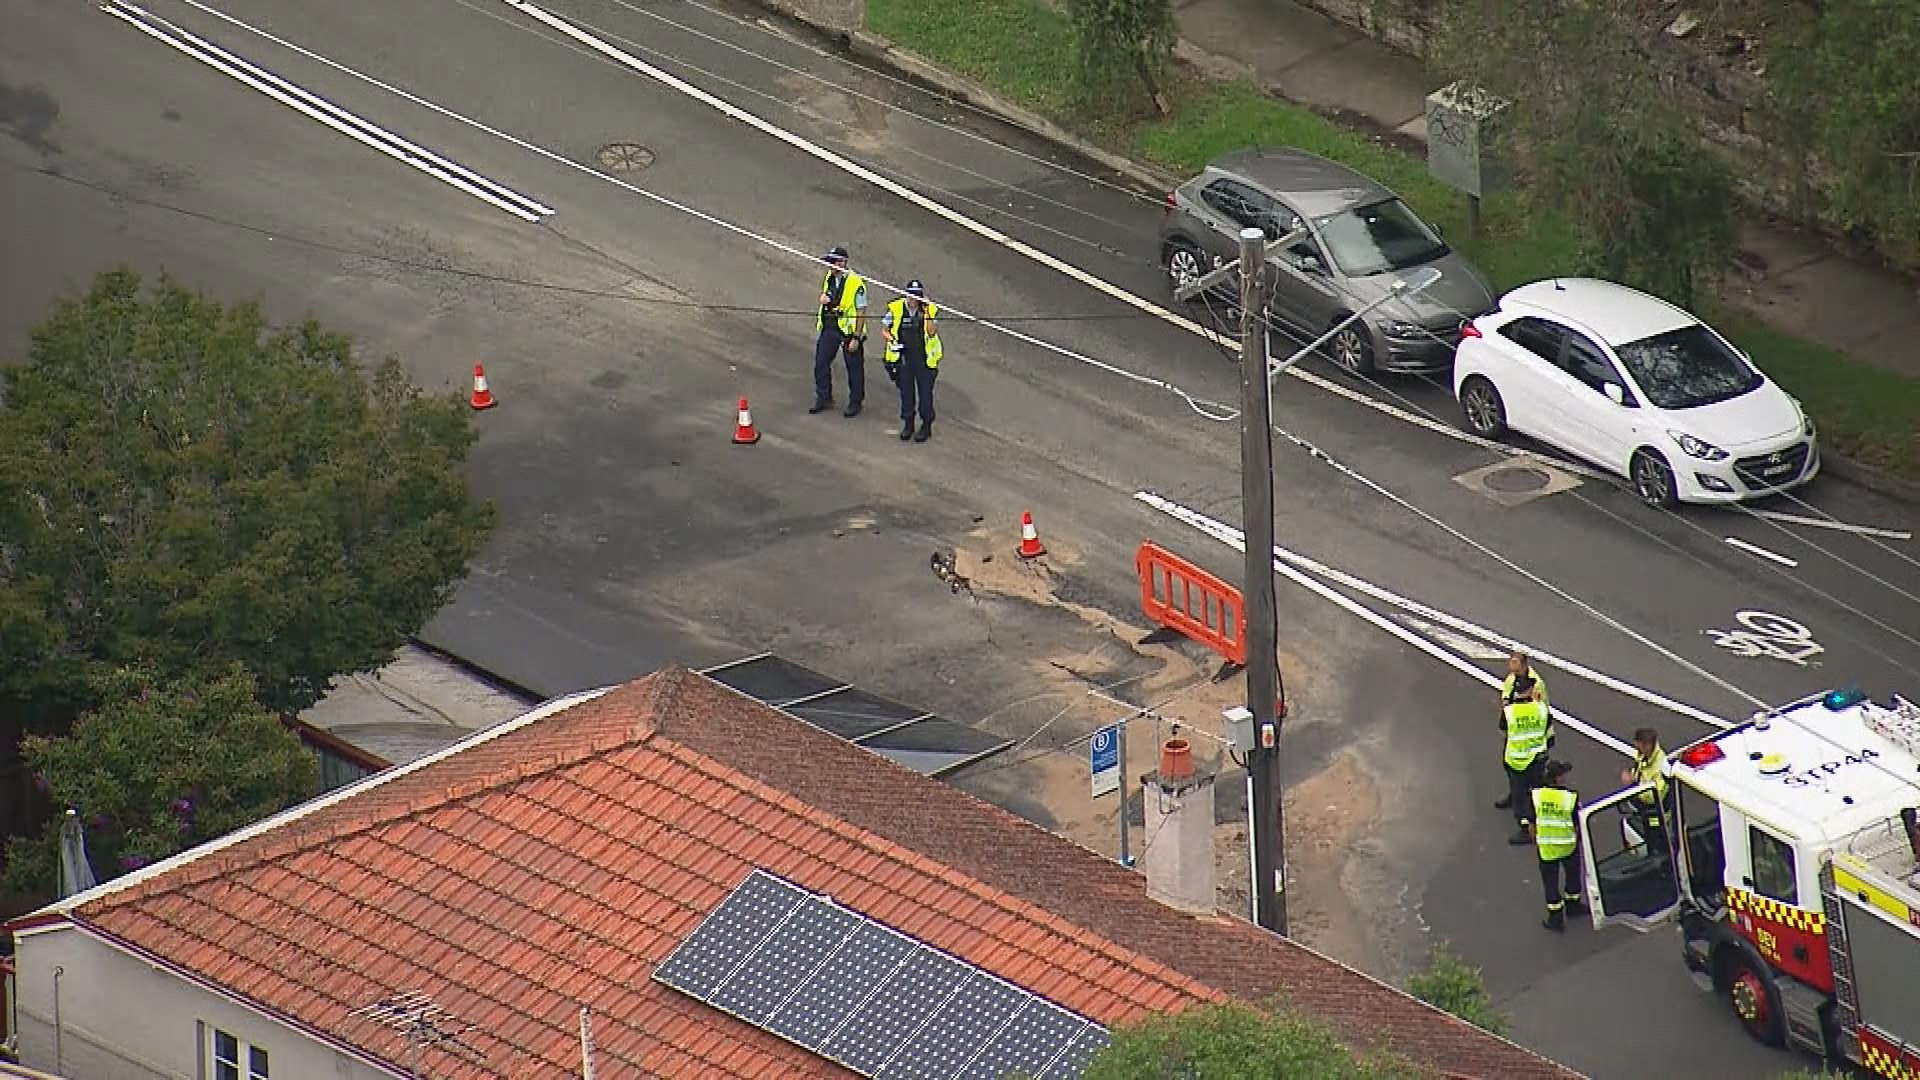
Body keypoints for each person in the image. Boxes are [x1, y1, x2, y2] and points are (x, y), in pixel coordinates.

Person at [810, 246, 869, 417]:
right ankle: (824, 396)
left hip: (848, 331)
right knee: (821, 363)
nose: (830, 266)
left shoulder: (856, 283)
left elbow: (861, 311)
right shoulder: (830, 277)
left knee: (854, 369)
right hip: (830, 326)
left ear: (842, 263)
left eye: (833, 262)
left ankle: (856, 402)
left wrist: (856, 338)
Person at [881, 280, 942, 442]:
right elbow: (885, 330)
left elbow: (931, 332)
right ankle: (908, 423)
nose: (913, 299)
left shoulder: (930, 310)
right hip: (904, 358)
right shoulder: (895, 308)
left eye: (917, 295)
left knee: (925, 394)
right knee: (906, 393)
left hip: (924, 360)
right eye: (911, 295)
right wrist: (892, 340)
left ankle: (926, 425)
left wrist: (927, 310)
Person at [1497, 672, 1552, 845]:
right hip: (1537, 759)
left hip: (1517, 761)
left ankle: (1526, 829)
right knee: (1537, 792)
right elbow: (1547, 727)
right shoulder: (1540, 708)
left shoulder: (1510, 711)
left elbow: (1502, 727)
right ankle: (1541, 823)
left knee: (1520, 797)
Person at [1533, 760, 1586, 932]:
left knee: (1550, 884)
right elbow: (1579, 824)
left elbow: (1531, 824)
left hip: (1547, 849)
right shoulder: (1570, 797)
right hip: (1568, 846)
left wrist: (1538, 840)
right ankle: (1573, 906)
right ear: (1557, 778)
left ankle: (1555, 919)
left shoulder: (1536, 796)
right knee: (1572, 877)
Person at [1620, 727, 1672, 858]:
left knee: (1661, 851)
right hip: (1645, 814)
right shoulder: (1643, 756)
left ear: (1647, 745)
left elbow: (1654, 795)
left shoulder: (1661, 764)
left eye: (1639, 746)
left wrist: (1633, 784)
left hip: (1657, 818)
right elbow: (1639, 772)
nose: (1637, 749)